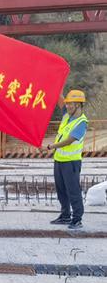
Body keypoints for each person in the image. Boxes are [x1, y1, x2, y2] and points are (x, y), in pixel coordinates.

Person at [47, 90, 89, 230]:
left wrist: (51, 146)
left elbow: (69, 140)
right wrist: (55, 84)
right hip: (59, 160)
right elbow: (59, 98)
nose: (68, 106)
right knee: (61, 190)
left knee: (73, 191)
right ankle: (65, 215)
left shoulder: (81, 122)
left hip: (71, 162)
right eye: (68, 103)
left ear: (79, 105)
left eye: (71, 104)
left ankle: (77, 219)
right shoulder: (67, 115)